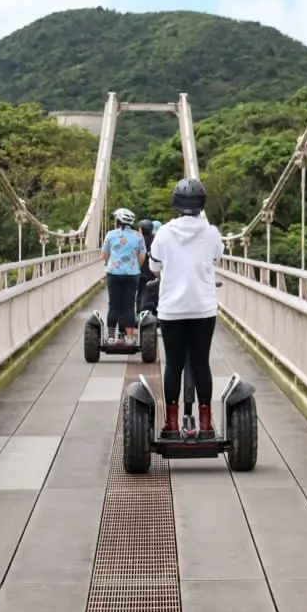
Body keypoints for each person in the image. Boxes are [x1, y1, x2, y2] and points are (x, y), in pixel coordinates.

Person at [149, 179, 224, 437]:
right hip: (203, 309)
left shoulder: (164, 233)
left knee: (173, 364)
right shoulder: (211, 232)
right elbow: (215, 256)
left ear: (176, 204)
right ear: (202, 203)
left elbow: (154, 267)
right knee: (201, 362)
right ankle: (205, 423)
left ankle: (171, 423)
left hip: (172, 310)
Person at [101, 207, 145, 344]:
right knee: (129, 304)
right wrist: (134, 267)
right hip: (132, 274)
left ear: (118, 221)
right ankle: (130, 338)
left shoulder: (110, 234)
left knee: (114, 304)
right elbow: (142, 256)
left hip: (114, 273)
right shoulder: (138, 236)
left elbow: (104, 255)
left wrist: (111, 263)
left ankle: (111, 337)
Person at [136, 219, 155, 312]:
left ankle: (139, 313)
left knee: (140, 293)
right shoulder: (155, 239)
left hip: (141, 272)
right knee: (153, 293)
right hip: (153, 272)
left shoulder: (137, 240)